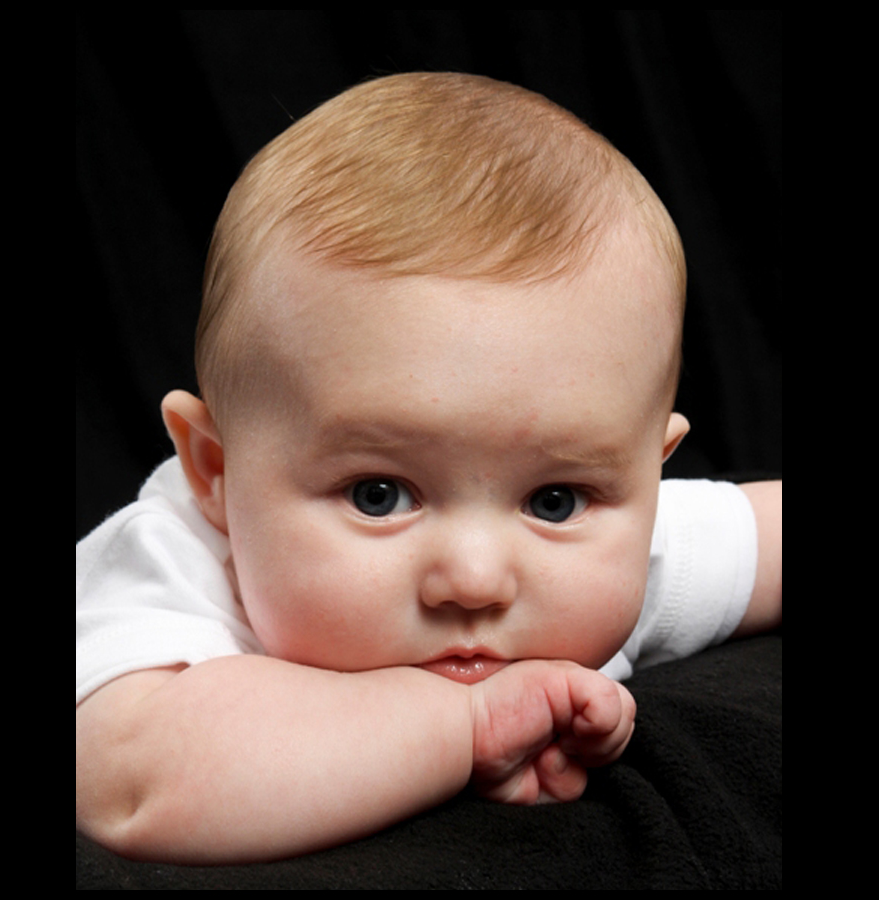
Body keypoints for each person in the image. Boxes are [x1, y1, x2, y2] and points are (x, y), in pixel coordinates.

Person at [76, 72, 781, 864]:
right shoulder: (168, 569)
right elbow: (132, 787)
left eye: (552, 500)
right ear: (215, 471)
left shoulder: (618, 544)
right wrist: (470, 728)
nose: (476, 580)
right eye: (380, 496)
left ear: (649, 480)